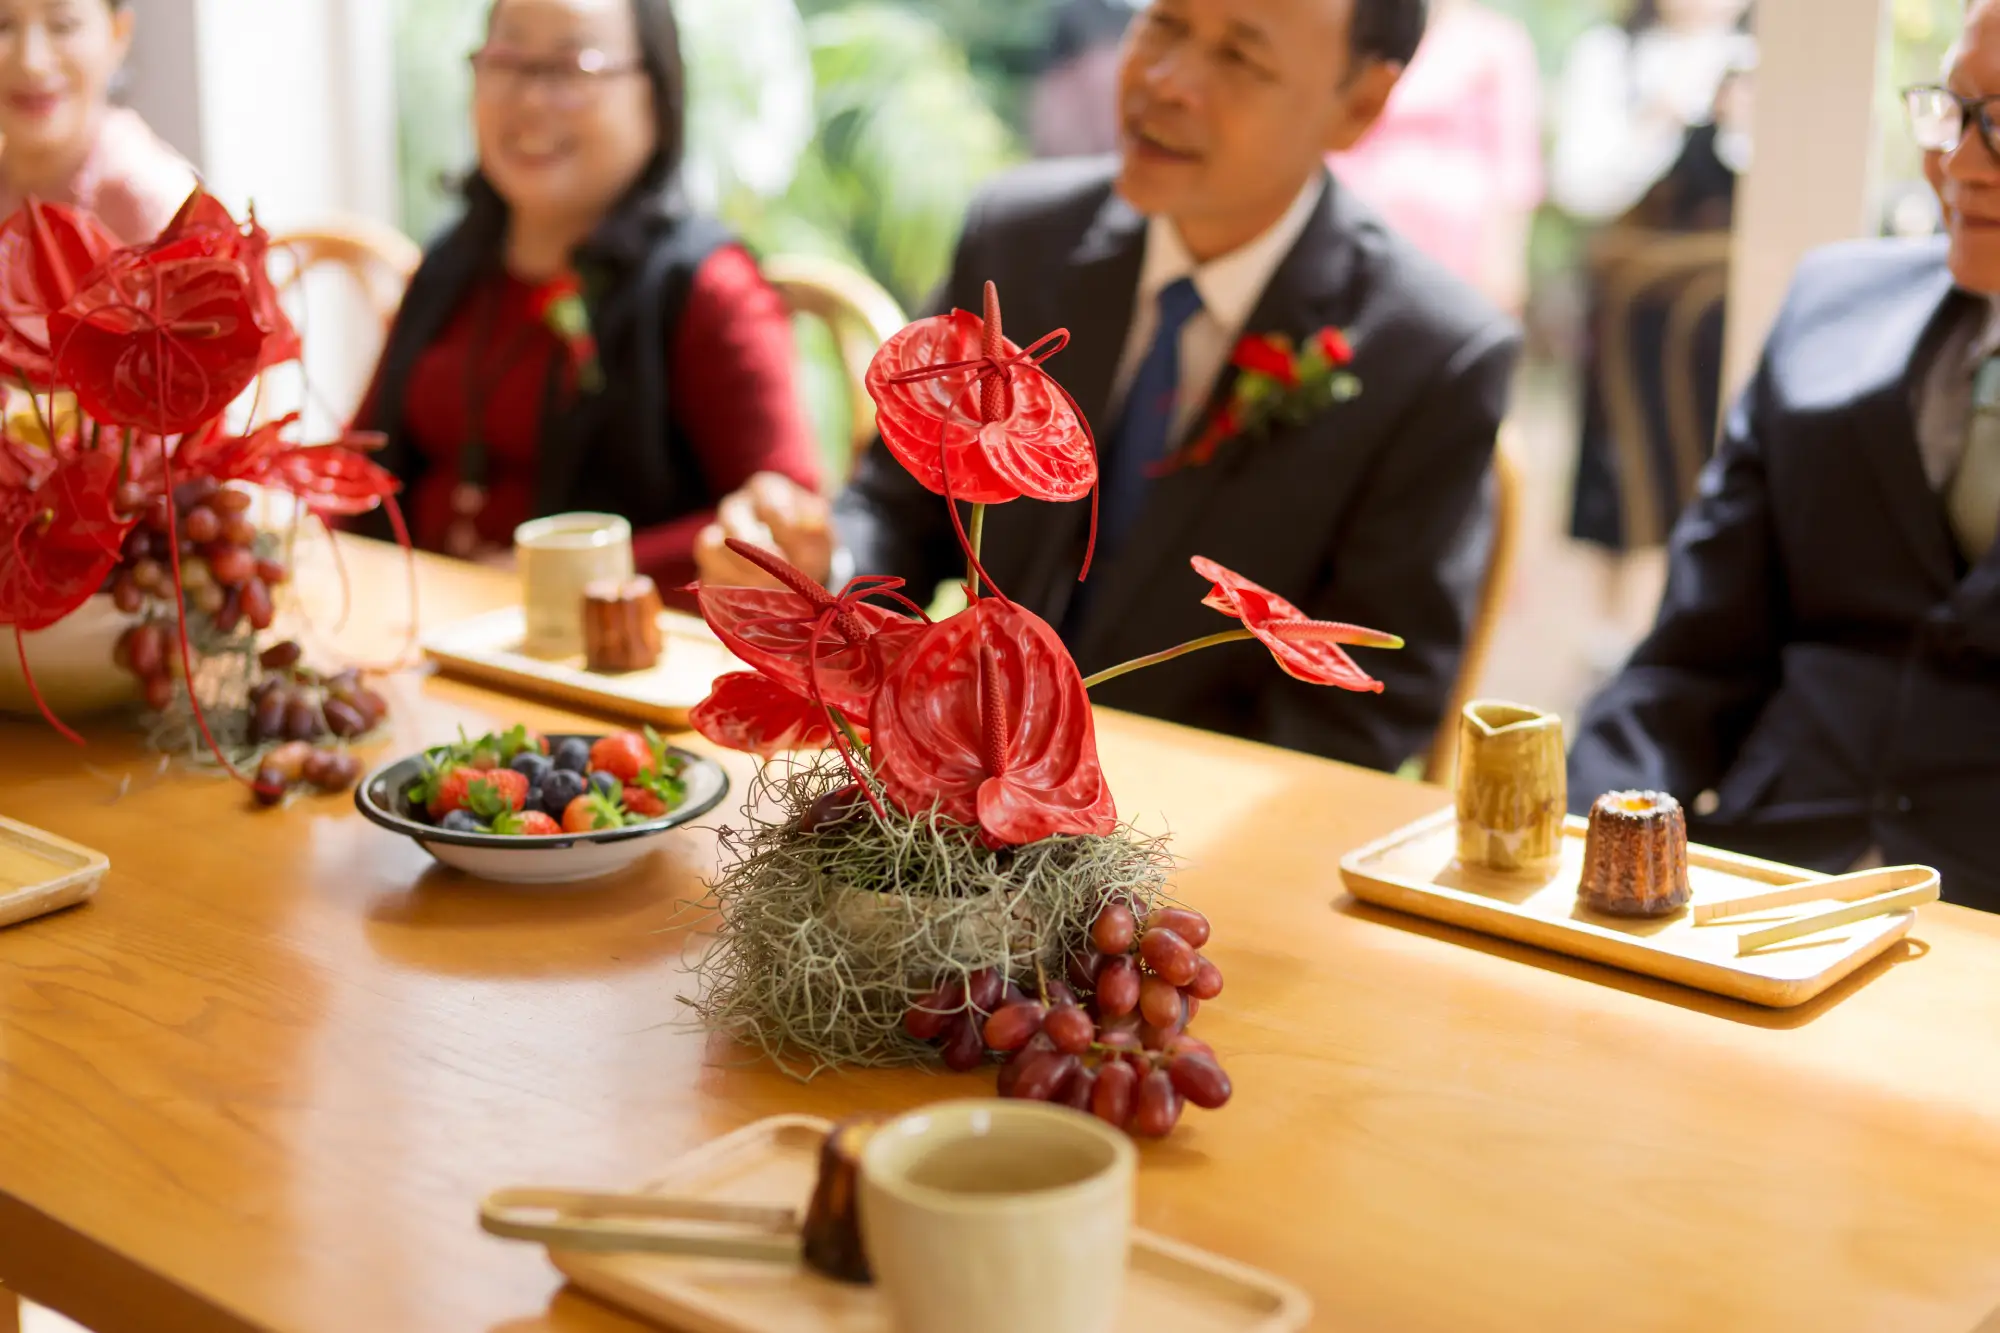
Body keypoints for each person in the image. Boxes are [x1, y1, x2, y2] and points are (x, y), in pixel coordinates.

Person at [697, 0, 1520, 775]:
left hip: (1189, 863)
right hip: (960, 807)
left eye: (1241, 55)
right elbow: (898, 508)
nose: (1163, 81)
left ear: (1361, 105)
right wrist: (819, 563)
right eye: (1163, 23)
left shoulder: (1433, 356)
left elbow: (1367, 718)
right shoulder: (1019, 239)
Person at [1567, 0, 2000, 912]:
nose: (1958, 162)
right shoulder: (1828, 310)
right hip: (1758, 881)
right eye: (1952, 109)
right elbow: (1689, 659)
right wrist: (1581, 840)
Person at [353, 0, 818, 593]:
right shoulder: (451, 265)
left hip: (601, 665)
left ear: (656, 95)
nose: (529, 100)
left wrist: (561, 573)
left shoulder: (711, 288)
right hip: (421, 635)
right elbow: (357, 464)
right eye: (506, 60)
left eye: (572, 68)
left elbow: (788, 524)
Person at [1327, 0, 1542, 315]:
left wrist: (1504, 263)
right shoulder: (1362, 32)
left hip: (1454, 250)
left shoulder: (1494, 41)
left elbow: (1514, 168)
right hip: (1353, 239)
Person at [0, 0, 196, 244]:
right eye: (3, 25)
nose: (31, 62)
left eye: (63, 26)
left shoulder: (152, 203)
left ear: (118, 34)